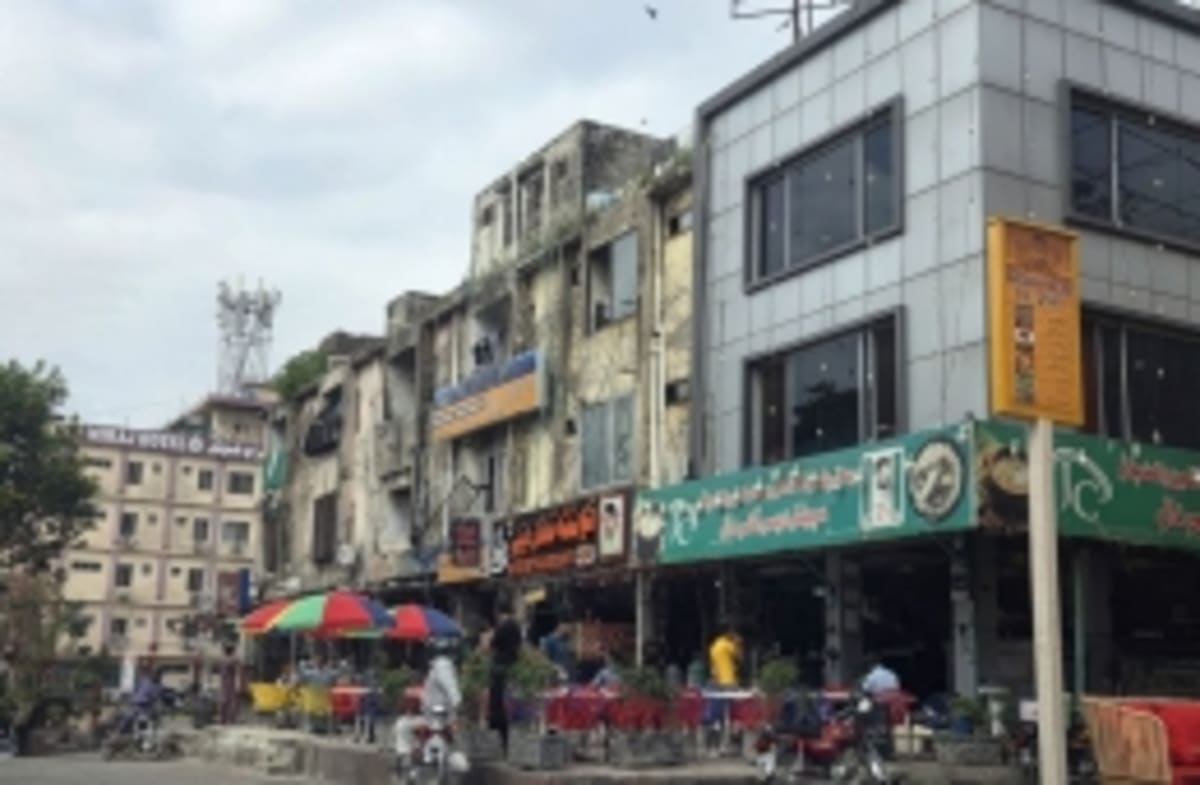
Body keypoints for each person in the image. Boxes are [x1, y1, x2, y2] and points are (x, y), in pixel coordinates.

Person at [489, 601, 522, 754]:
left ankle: (501, 742)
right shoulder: (516, 627)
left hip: (500, 669)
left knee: (498, 705)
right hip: (513, 668)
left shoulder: (502, 628)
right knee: (510, 704)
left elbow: (492, 644)